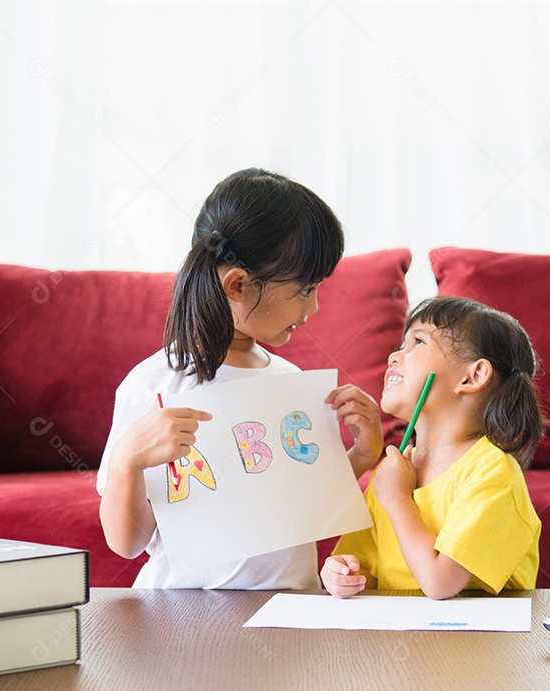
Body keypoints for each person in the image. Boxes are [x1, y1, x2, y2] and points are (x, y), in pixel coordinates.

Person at [97, 168, 382, 589]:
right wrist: (127, 460)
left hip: (288, 618)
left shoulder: (290, 381)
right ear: (238, 284)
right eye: (304, 290)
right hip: (182, 621)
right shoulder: (152, 385)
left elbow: (306, 496)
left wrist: (363, 453)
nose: (315, 307)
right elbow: (127, 543)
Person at [321, 296, 545, 600]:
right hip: (403, 640)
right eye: (402, 345)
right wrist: (343, 574)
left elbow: (440, 583)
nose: (394, 356)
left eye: (418, 343)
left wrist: (398, 499)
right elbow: (365, 571)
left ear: (472, 376)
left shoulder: (493, 472)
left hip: (475, 644)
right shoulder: (391, 473)